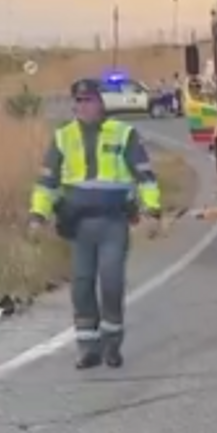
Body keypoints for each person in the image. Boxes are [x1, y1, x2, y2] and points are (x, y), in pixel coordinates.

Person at [29, 77, 163, 369]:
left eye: (87, 100)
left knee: (112, 282)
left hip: (113, 222)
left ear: (101, 103)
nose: (81, 106)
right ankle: (88, 348)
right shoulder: (63, 137)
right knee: (81, 286)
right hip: (79, 226)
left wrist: (153, 212)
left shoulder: (123, 134)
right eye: (77, 101)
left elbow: (145, 177)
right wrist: (38, 217)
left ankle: (112, 344)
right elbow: (46, 182)